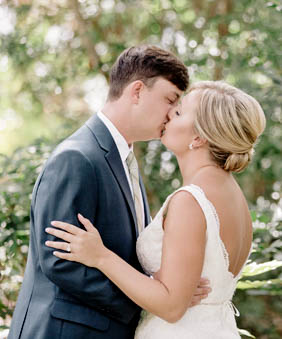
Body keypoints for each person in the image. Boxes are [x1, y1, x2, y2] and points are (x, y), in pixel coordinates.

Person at [8, 46, 210, 339]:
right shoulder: (77, 157)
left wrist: (168, 287)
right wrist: (149, 302)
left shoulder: (126, 161)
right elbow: (60, 261)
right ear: (137, 91)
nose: (172, 113)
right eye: (169, 99)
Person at [45, 80, 266, 338]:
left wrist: (101, 256)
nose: (170, 113)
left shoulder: (190, 200)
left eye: (180, 112)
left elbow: (171, 307)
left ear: (199, 137)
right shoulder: (233, 195)